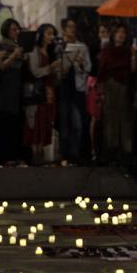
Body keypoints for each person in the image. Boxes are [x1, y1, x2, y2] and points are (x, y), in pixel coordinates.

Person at [98, 23, 137, 166]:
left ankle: (125, 151)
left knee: (125, 119)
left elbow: (133, 70)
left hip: (125, 86)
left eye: (123, 32)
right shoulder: (107, 50)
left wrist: (133, 55)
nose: (121, 35)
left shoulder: (128, 51)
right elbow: (101, 71)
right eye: (118, 32)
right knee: (111, 119)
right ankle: (111, 151)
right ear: (113, 34)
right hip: (111, 85)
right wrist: (101, 90)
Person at [0, 18, 26, 167]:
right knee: (4, 124)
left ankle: (15, 155)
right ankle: (2, 157)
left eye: (18, 29)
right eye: (13, 29)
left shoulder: (19, 46)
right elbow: (2, 66)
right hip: (4, 90)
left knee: (16, 124)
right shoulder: (0, 45)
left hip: (17, 89)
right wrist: (14, 55)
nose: (16, 32)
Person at [23, 24, 60, 166]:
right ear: (41, 35)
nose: (51, 37)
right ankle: (34, 155)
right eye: (48, 33)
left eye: (53, 34)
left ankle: (41, 154)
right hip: (37, 92)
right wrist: (51, 67)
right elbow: (35, 71)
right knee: (35, 123)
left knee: (45, 122)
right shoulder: (34, 51)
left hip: (48, 91)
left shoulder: (52, 51)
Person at [56, 17, 91, 164]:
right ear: (63, 29)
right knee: (64, 123)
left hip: (77, 88)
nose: (73, 30)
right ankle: (64, 155)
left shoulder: (82, 47)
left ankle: (77, 153)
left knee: (78, 123)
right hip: (63, 88)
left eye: (74, 27)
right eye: (70, 27)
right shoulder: (58, 46)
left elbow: (88, 68)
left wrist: (81, 64)